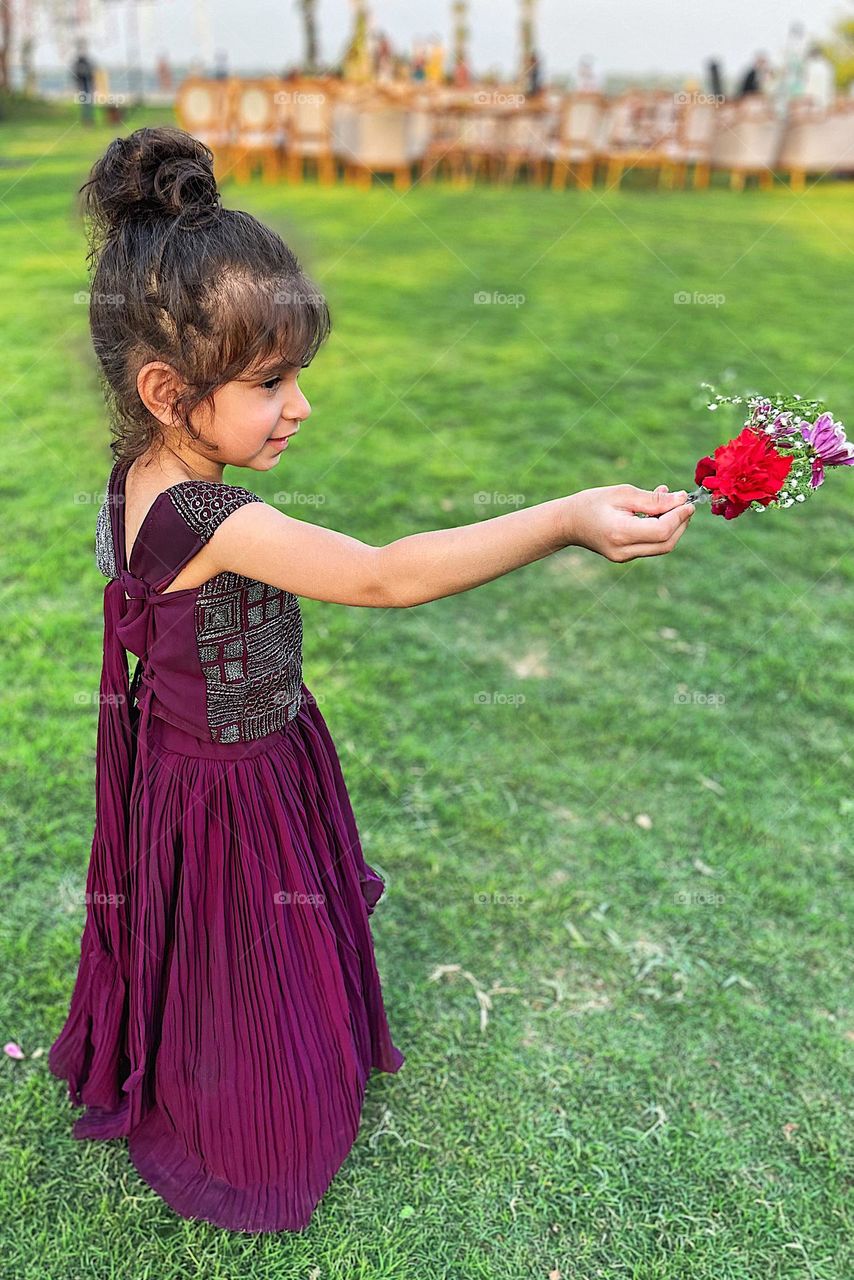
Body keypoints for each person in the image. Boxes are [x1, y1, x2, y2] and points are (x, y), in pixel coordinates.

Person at [47, 125, 695, 1235]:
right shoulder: (209, 516)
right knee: (246, 952)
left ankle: (226, 1066)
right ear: (164, 388)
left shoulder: (140, 475)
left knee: (228, 946)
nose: (299, 405)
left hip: (216, 753)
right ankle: (249, 1115)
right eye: (270, 382)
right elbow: (387, 576)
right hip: (231, 780)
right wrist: (563, 518)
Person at [802, 42, 835, 110]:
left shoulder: (812, 65)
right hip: (820, 98)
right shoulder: (826, 64)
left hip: (818, 97)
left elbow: (806, 80)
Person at [71, 42, 95, 125]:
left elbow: (92, 74)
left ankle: (90, 119)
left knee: (89, 104)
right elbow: (74, 75)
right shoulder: (77, 63)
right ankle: (85, 120)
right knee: (84, 104)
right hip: (82, 86)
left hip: (88, 86)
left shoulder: (88, 62)